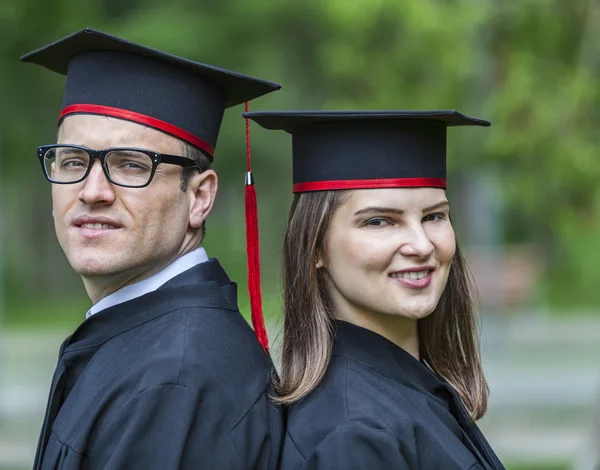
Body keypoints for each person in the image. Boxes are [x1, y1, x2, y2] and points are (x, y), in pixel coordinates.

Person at [21, 28, 283, 470]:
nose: (92, 191)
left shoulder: (177, 381)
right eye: (72, 162)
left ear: (199, 197)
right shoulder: (142, 337)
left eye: (130, 164)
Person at [245, 110, 506, 469]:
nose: (422, 245)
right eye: (380, 221)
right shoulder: (354, 436)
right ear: (316, 247)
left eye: (434, 216)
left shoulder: (407, 390)